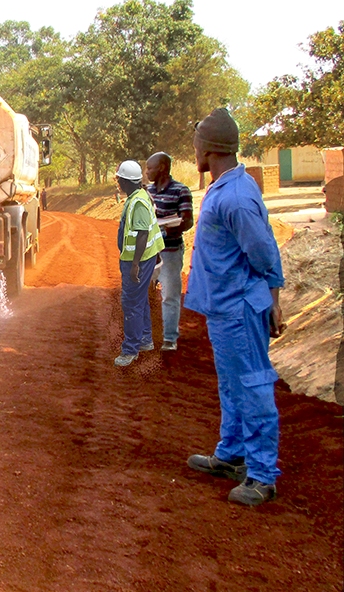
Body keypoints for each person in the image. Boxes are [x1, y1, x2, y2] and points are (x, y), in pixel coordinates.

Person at [184, 107, 285, 507]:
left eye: (196, 147)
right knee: (231, 384)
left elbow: (264, 252)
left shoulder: (238, 197)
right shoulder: (226, 187)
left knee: (253, 384)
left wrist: (275, 300)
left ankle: (261, 475)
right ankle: (232, 454)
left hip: (241, 309)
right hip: (224, 309)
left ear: (207, 150)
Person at [114, 160, 165, 367]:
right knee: (139, 299)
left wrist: (135, 265)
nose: (117, 182)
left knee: (131, 303)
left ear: (126, 181)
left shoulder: (138, 202)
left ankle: (130, 350)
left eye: (119, 179)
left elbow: (143, 233)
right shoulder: (138, 197)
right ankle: (144, 339)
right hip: (142, 259)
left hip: (139, 261)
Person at [145, 152, 194, 351]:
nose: (147, 172)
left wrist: (176, 226)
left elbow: (188, 220)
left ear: (162, 168)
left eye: (150, 168)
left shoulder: (181, 191)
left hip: (170, 251)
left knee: (170, 295)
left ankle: (169, 339)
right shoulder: (147, 191)